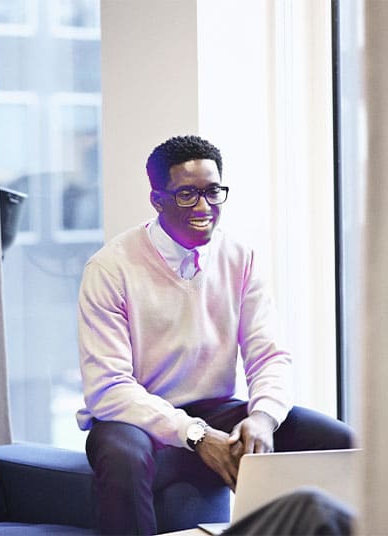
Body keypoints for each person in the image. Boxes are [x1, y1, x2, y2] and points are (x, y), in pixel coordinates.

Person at [76, 135, 354, 535]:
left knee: (339, 441)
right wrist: (194, 434)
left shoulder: (240, 257)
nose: (204, 207)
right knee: (123, 457)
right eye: (187, 194)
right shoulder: (109, 269)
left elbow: (269, 355)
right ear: (157, 200)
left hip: (218, 409)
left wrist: (262, 417)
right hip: (136, 421)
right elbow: (108, 388)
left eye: (212, 192)